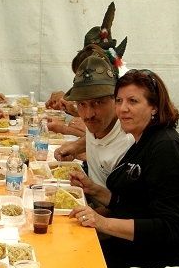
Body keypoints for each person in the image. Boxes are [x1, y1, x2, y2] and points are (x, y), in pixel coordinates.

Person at [68, 69, 179, 268]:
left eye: (133, 101)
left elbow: (168, 227)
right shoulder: (143, 140)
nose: (123, 109)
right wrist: (93, 189)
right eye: (119, 101)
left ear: (154, 107)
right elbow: (134, 205)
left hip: (163, 264)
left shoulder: (168, 148)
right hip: (136, 250)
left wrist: (103, 223)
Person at [53, 55, 134, 208]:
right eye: (82, 104)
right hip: (87, 201)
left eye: (98, 102)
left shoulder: (128, 141)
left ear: (116, 100)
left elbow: (126, 211)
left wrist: (89, 215)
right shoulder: (99, 122)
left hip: (105, 220)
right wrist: (76, 147)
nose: (89, 114)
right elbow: (94, 136)